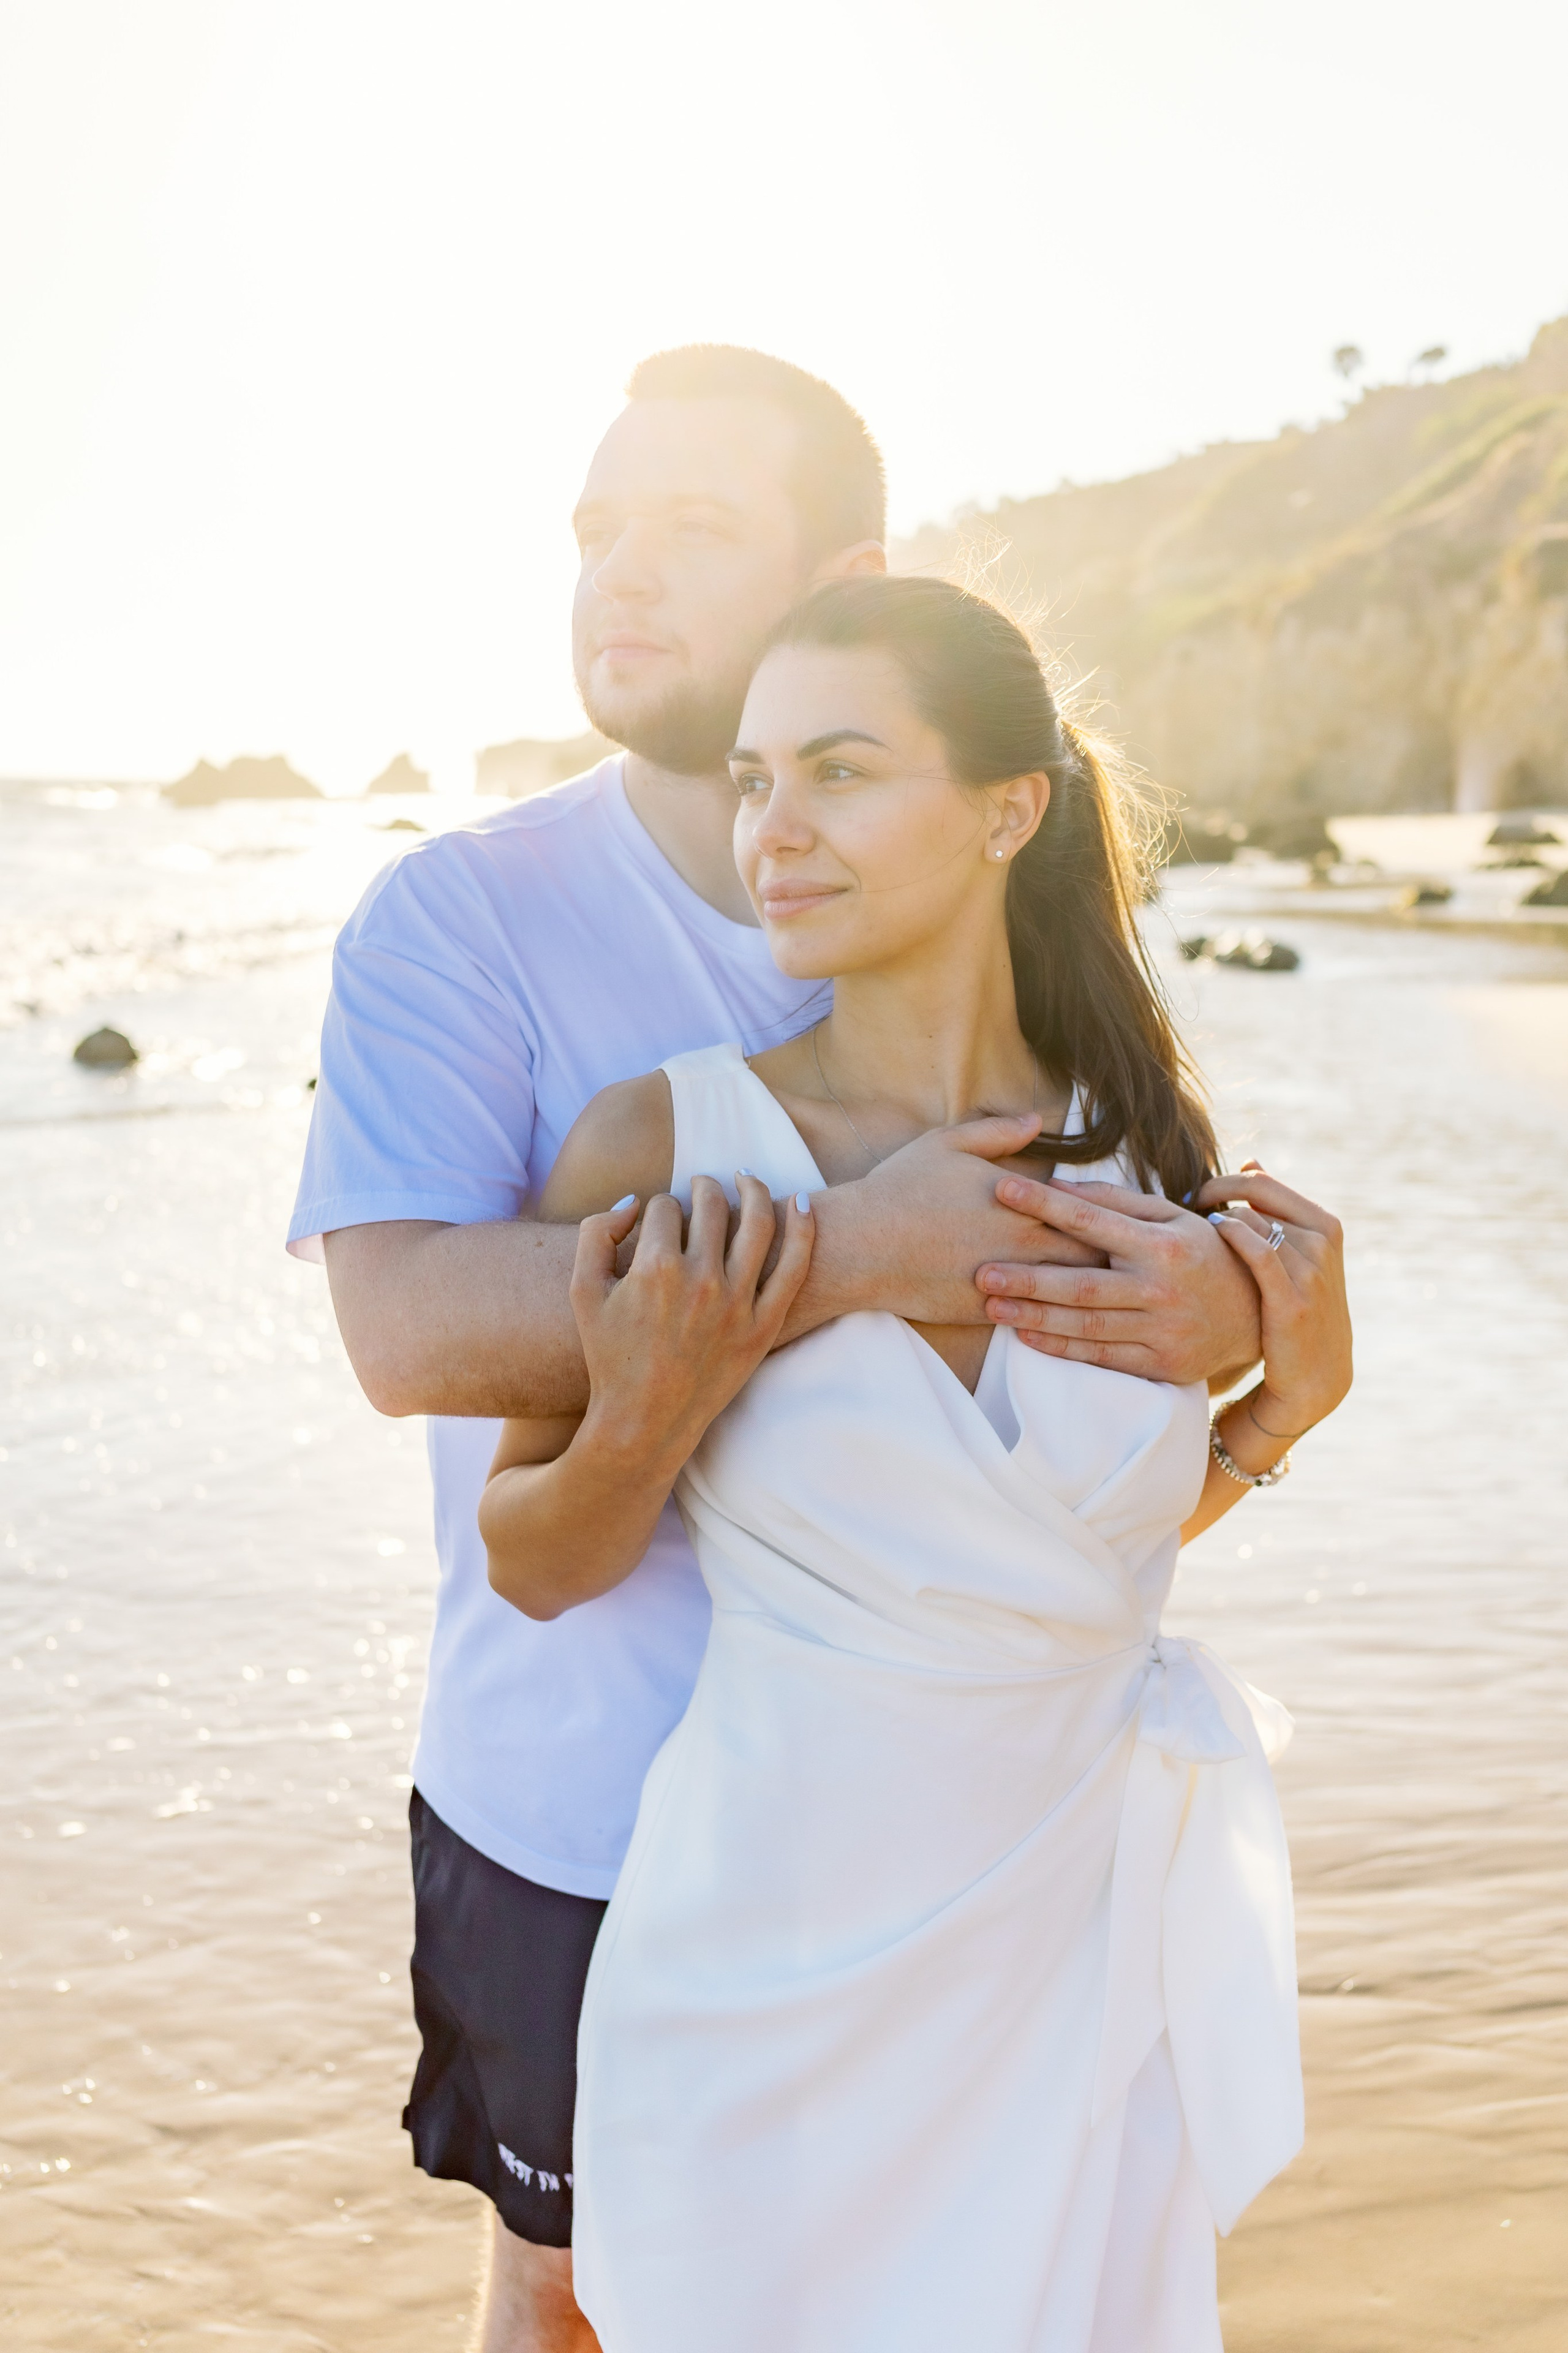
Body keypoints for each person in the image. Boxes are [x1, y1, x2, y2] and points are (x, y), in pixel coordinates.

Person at [290, 349, 1272, 2353]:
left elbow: (1086, 1454)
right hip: (595, 1805)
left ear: (855, 578)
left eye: (692, 526)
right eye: (593, 528)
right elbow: (403, 1334)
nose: (618, 576)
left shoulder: (1048, 1017)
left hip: (1018, 1860)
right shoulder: (467, 922)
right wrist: (845, 1251)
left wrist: (1277, 1347)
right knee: (579, 2299)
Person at [481, 576, 1353, 2353]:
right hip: (763, 1981)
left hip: (1073, 1964)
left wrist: (1279, 1413)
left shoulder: (1149, 1161)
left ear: (1008, 807)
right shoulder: (666, 1138)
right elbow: (537, 1559)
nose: (772, 832)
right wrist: (660, 1392)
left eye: (839, 771)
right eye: (749, 780)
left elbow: (1058, 1576)